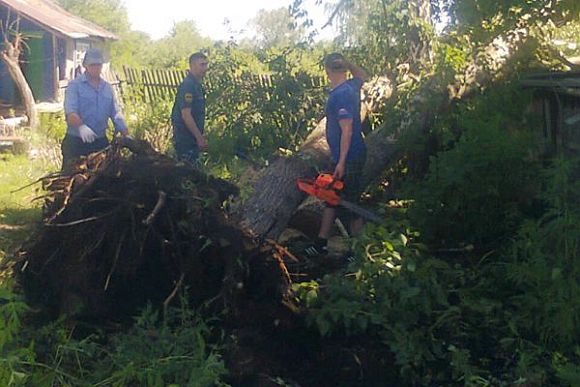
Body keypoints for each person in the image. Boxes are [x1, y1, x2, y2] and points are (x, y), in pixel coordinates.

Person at [305, 53, 369, 258]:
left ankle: (358, 251)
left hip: (350, 155)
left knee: (350, 201)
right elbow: (363, 76)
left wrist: (341, 161)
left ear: (327, 71)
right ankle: (321, 242)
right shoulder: (351, 85)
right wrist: (349, 63)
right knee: (331, 196)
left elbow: (347, 129)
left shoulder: (341, 95)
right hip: (345, 154)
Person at [62, 48, 128, 171]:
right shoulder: (75, 86)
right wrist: (81, 127)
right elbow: (70, 113)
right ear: (85, 65)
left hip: (99, 143)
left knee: (101, 180)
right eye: (93, 65)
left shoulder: (107, 88)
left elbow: (116, 114)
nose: (96, 68)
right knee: (73, 180)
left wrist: (127, 134)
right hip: (76, 142)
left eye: (98, 65)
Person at [171, 52, 209, 165]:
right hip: (185, 139)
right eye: (202, 65)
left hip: (192, 137)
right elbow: (186, 115)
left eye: (206, 65)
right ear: (192, 66)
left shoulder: (197, 85)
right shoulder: (188, 85)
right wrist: (199, 138)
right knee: (188, 172)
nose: (205, 68)